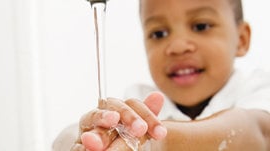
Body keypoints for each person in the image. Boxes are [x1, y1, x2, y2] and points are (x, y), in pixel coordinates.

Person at [53, 0, 270, 150]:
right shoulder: (140, 101)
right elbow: (64, 137)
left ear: (241, 39)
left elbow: (254, 133)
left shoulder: (257, 90)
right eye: (159, 33)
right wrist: (89, 141)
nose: (176, 46)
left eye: (200, 26)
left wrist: (156, 142)